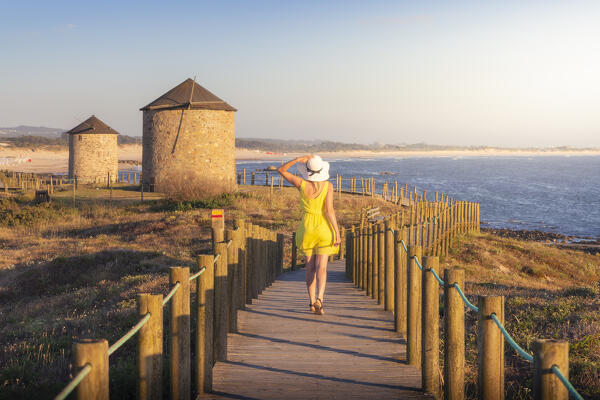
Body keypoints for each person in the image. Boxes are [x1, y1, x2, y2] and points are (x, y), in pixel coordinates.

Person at [278, 155, 340, 315]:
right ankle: (320, 298)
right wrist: (337, 233)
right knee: (322, 267)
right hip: (324, 228)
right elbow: (329, 211)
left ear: (307, 171)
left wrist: (297, 159)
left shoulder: (301, 183)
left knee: (310, 267)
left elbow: (281, 170)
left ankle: (311, 302)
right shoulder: (328, 186)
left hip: (307, 228)